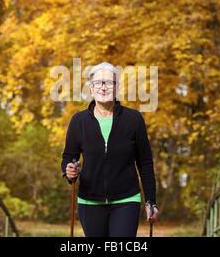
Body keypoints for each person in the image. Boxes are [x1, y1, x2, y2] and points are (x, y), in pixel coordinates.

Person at [61, 62, 159, 237]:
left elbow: (145, 163)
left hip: (126, 199)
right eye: (98, 82)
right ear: (91, 89)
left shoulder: (134, 120)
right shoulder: (79, 121)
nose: (103, 87)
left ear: (116, 88)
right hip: (89, 201)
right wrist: (68, 171)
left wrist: (151, 201)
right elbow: (69, 156)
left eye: (109, 82)